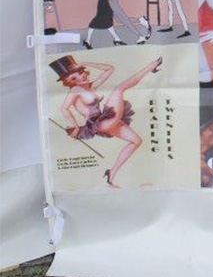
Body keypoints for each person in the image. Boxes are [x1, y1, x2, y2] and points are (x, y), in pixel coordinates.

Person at [51, 53, 162, 188]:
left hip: (105, 120)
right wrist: (75, 126)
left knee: (136, 141)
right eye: (74, 77)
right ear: (70, 82)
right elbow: (64, 108)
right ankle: (151, 67)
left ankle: (111, 173)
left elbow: (110, 69)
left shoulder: (90, 87)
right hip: (100, 123)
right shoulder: (75, 90)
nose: (81, 77)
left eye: (81, 72)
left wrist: (85, 62)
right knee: (119, 89)